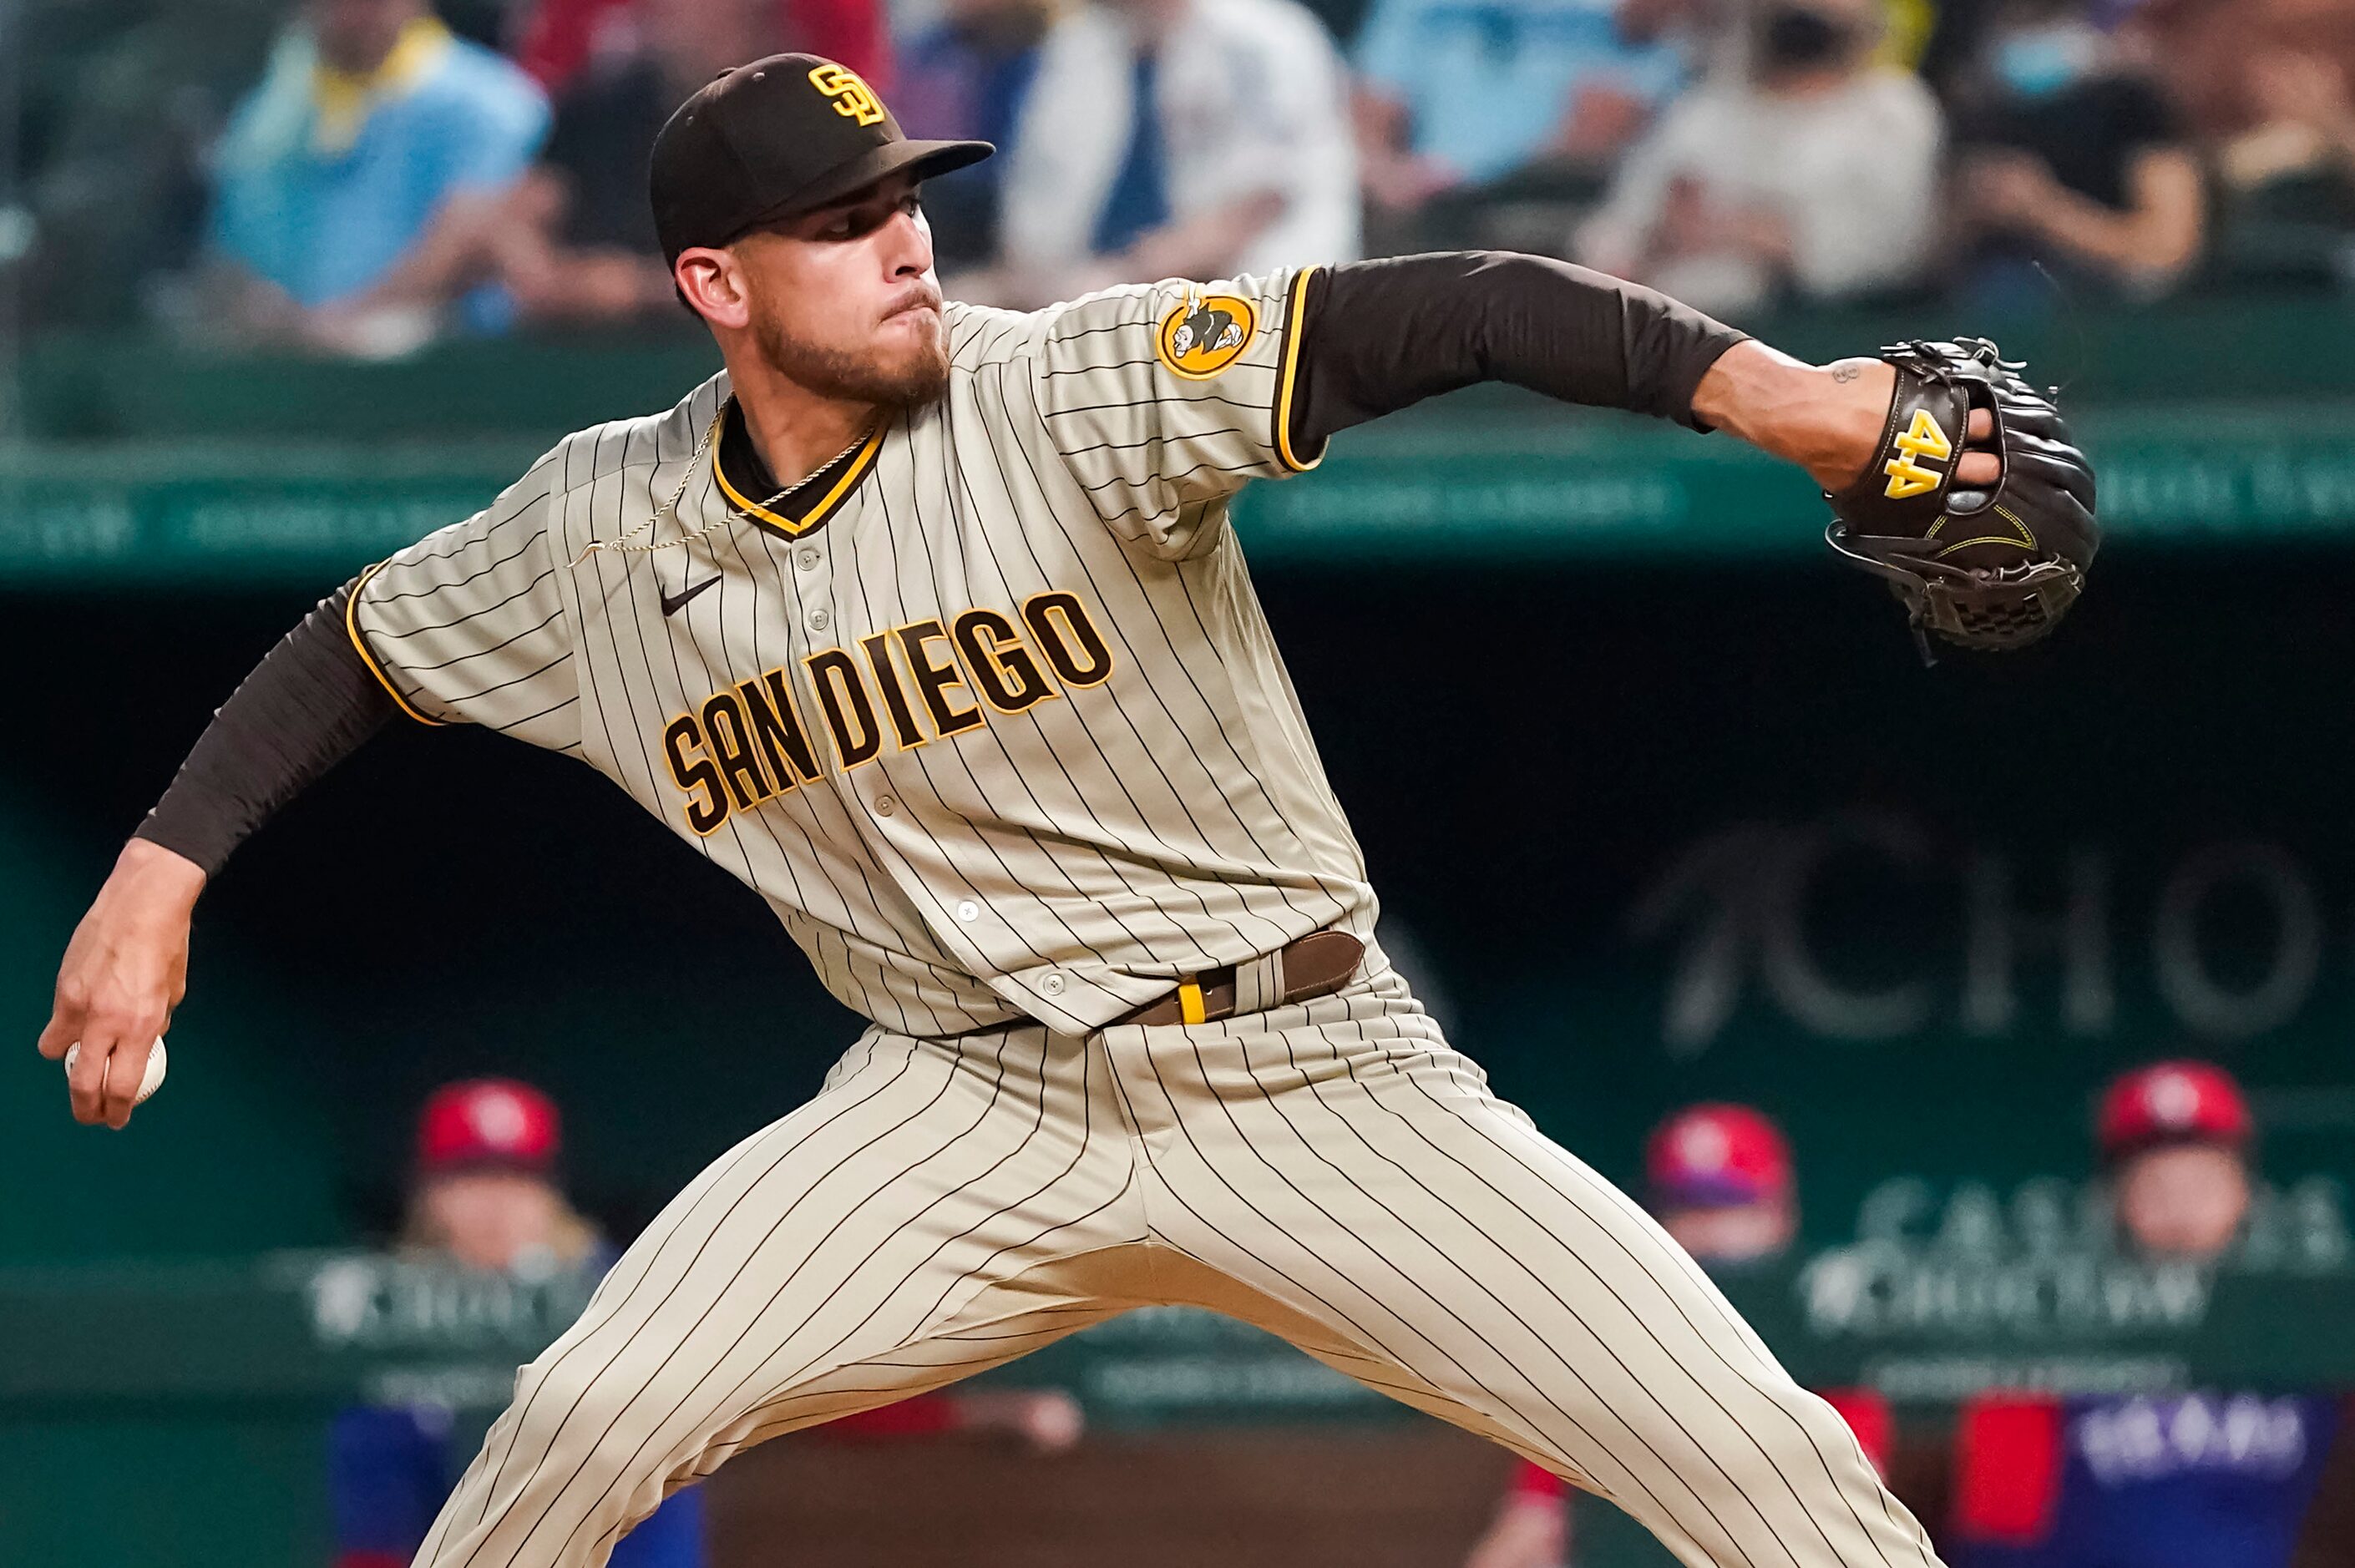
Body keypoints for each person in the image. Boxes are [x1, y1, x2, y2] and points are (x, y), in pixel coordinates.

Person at [44, 49, 2064, 1568]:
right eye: (840, 221)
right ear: (711, 284)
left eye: (904, 195)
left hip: (1303, 1071)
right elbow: (357, 646)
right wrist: (157, 875)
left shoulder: (1059, 384)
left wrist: (1785, 400)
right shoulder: (595, 522)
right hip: (953, 1106)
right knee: (581, 1407)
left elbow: (1444, 310)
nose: (902, 235)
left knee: (1771, 1474)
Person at [331, 1079, 1081, 1568]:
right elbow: (372, 1522)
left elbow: (794, 1384)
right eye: (469, 1180)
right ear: (428, 1196)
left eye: (516, 1180)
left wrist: (974, 1411)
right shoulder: (379, 1314)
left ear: (549, 1191)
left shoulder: (627, 1284)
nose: (494, 1206)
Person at [1947, 1060, 2343, 1568]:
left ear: (2244, 1194)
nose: (2180, 1209)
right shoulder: (2046, 1339)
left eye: (2202, 1182)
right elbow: (1994, 1536)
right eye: (2155, 1183)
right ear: (2114, 1200)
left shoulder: (2306, 1335)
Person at [1460, 1104, 1892, 1568]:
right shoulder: (1608, 1337)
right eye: (1686, 1208)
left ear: (1780, 1213)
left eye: (1728, 1207)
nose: (1704, 1232)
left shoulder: (1820, 1333)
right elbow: (1532, 1524)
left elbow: (1857, 1508)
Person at [203, 0, 550, 356]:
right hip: (285, 364)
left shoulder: (497, 103)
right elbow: (235, 254)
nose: (354, 11)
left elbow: (464, 240)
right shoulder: (266, 112)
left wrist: (345, 322)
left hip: (444, 368)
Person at [975, 0, 1359, 307]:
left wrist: (1122, 278)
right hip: (1096, 295)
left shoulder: (1265, 36)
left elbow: (1256, 207)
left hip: (1261, 303)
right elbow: (1032, 209)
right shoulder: (1077, 45)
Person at [1577, 0, 1942, 316]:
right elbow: (1616, 228)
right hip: (1665, 322)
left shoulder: (1893, 110)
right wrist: (1651, 240)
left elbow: (1896, 250)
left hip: (1819, 333)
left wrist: (1755, 235)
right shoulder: (1705, 109)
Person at [1950, 0, 2202, 306]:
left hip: (2111, 321)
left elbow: (2167, 247)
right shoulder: (1965, 100)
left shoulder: (2132, 102)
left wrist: (2042, 210)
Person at [1352, 0, 1686, 227]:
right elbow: (1372, 104)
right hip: (1421, 209)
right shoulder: (1418, 8)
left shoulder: (1625, 13)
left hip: (1554, 204)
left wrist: (1474, 177)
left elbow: (1612, 118)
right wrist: (1389, 175)